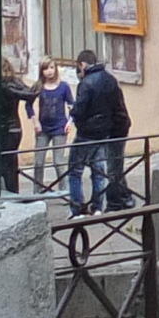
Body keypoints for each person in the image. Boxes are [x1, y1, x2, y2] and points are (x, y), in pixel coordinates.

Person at [67, 50, 130, 209]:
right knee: (105, 169)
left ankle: (79, 208)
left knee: (77, 170)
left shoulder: (87, 83)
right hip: (110, 129)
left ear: (82, 65)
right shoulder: (110, 79)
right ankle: (102, 205)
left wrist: (72, 112)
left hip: (96, 131)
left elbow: (80, 109)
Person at [32, 60, 76, 192]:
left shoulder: (64, 86)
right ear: (42, 71)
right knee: (38, 162)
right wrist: (35, 122)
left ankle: (64, 191)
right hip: (43, 129)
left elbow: (72, 105)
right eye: (46, 68)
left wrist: (70, 122)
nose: (49, 71)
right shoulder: (38, 86)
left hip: (59, 128)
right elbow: (29, 104)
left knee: (58, 161)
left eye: (51, 67)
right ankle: (37, 191)